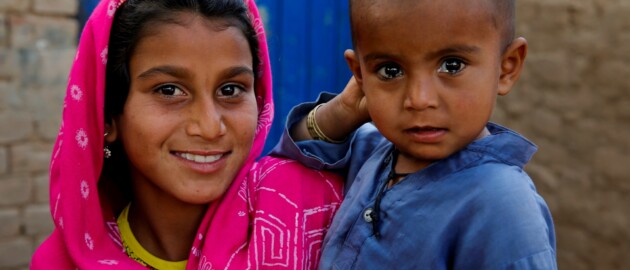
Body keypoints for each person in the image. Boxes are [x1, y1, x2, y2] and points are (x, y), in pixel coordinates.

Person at [30, 0, 343, 269]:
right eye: (169, 90)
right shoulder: (61, 263)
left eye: (230, 89)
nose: (209, 126)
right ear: (108, 116)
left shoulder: (321, 217)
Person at [271, 0, 557, 269]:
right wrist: (344, 111)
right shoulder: (373, 150)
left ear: (506, 67)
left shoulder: (502, 207)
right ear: (360, 74)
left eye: (452, 65)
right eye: (390, 70)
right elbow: (297, 156)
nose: (419, 99)